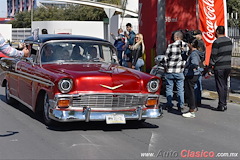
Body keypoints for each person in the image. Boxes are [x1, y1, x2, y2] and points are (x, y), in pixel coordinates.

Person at [208, 26, 233, 111]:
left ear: (217, 32)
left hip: (219, 66)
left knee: (220, 85)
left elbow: (214, 56)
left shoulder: (216, 42)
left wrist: (210, 67)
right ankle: (224, 103)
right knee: (225, 85)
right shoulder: (229, 41)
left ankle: (221, 104)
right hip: (228, 66)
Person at [164, 31, 189, 111]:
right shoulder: (186, 46)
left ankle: (169, 103)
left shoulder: (170, 46)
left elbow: (166, 58)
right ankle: (181, 104)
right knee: (180, 89)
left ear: (177, 37)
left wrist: (166, 67)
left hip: (170, 70)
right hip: (180, 70)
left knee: (169, 88)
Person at [182, 39, 202, 118]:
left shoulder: (194, 54)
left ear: (191, 44)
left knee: (190, 92)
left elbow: (194, 63)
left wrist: (190, 66)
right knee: (191, 91)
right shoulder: (194, 53)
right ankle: (193, 108)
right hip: (193, 74)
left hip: (191, 75)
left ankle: (192, 110)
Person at [192, 30, 206, 107]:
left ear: (200, 35)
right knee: (198, 84)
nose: (195, 37)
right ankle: (197, 100)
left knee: (196, 84)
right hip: (200, 65)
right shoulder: (201, 42)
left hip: (198, 66)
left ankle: (196, 100)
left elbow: (200, 54)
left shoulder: (199, 43)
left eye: (196, 35)